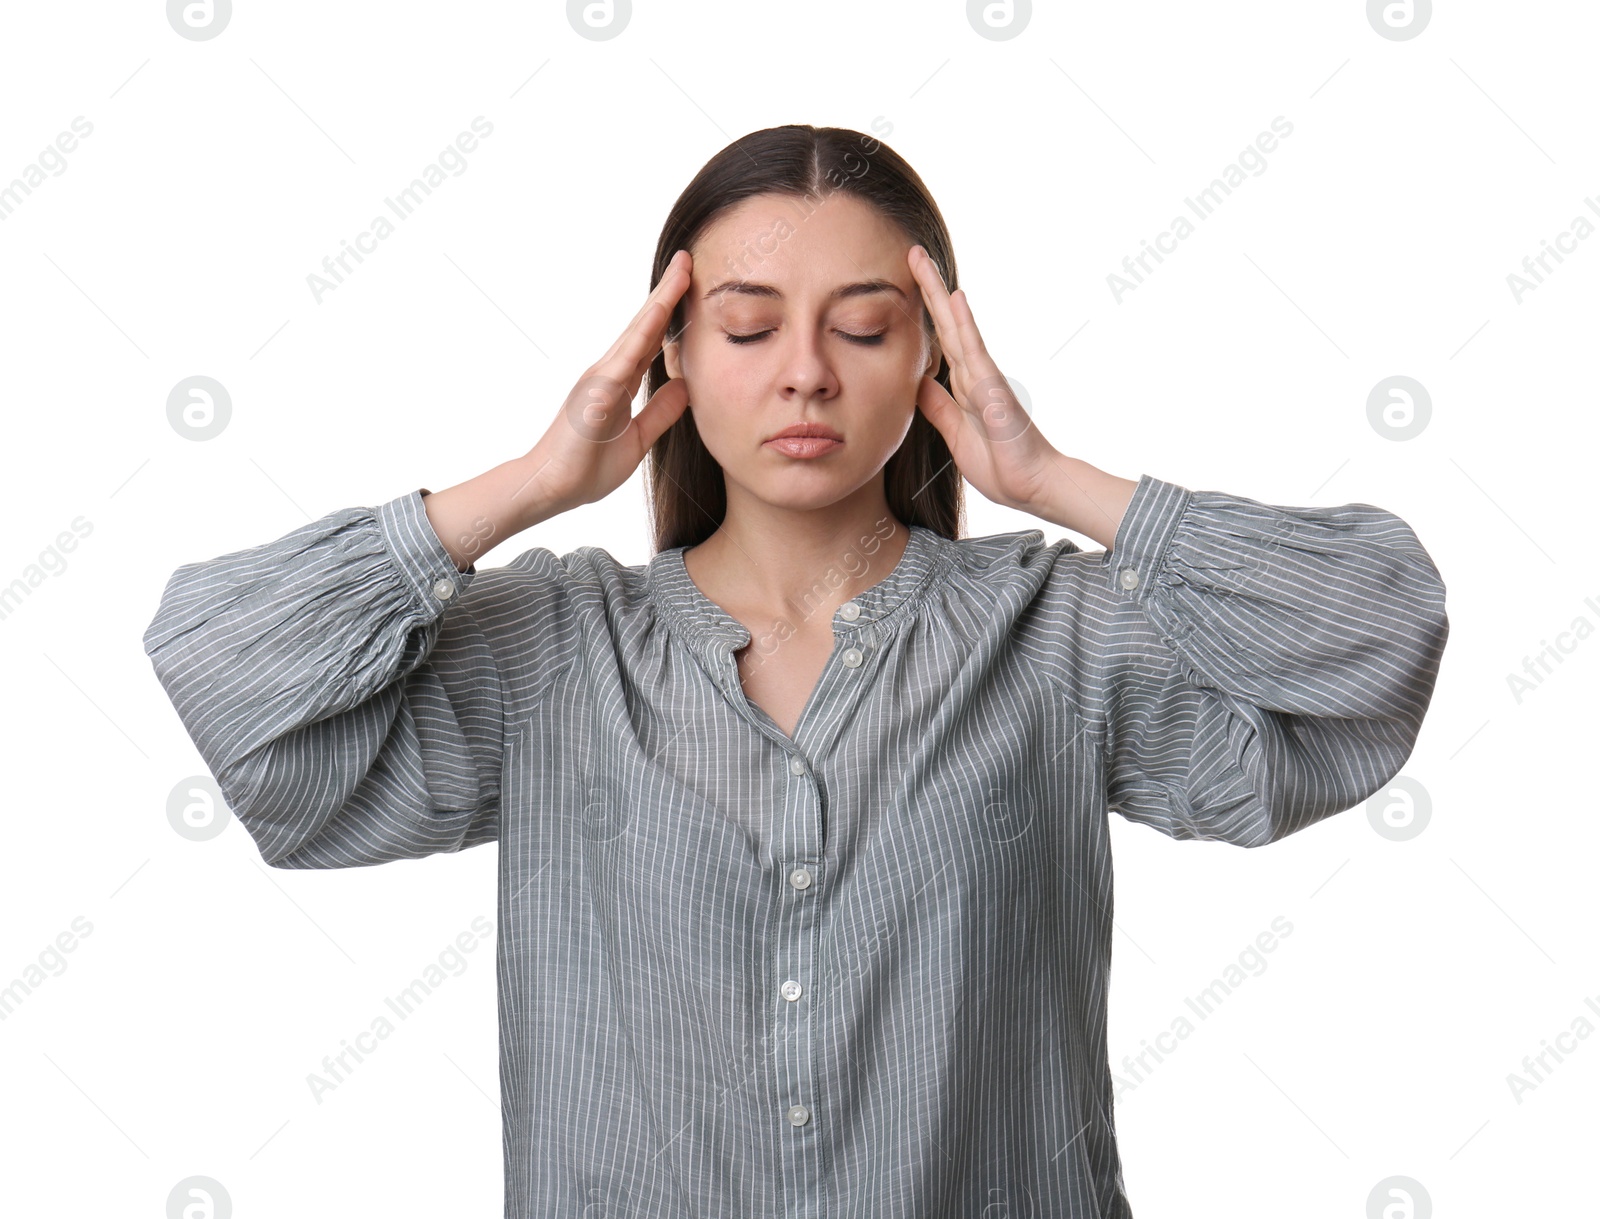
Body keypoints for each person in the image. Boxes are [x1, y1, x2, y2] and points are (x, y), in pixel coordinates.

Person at [142, 124, 1450, 1218]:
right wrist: (533, 483)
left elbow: (1375, 642)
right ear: (671, 355)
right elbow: (229, 682)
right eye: (749, 327)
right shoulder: (549, 655)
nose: (807, 374)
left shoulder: (1054, 637)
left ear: (932, 355)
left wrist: (1057, 482)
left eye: (867, 328)